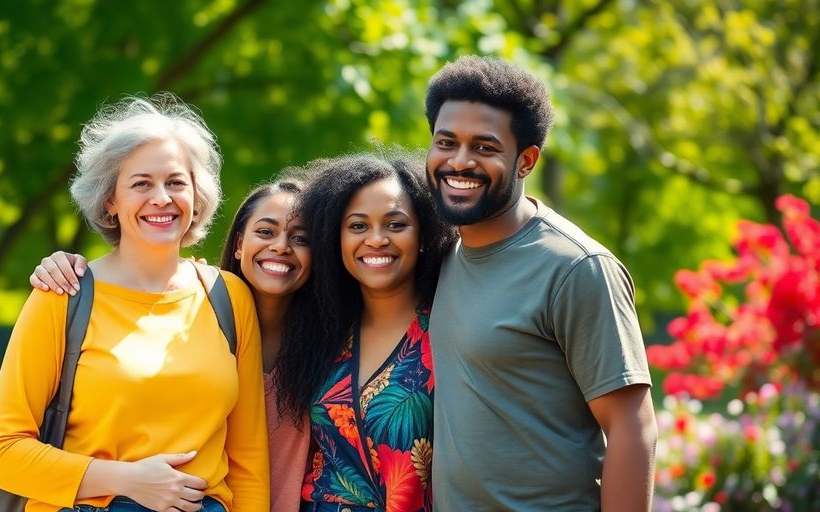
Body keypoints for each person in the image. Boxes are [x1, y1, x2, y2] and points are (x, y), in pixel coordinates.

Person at [0, 94, 269, 512]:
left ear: (196, 194)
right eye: (141, 184)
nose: (162, 197)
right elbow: (2, 452)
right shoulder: (62, 295)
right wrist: (128, 480)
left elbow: (248, 462)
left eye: (176, 182)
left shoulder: (228, 297)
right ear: (110, 201)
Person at [423, 55, 657, 510]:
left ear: (526, 161)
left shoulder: (576, 267)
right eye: (446, 142)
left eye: (485, 147)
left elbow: (632, 426)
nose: (460, 161)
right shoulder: (442, 255)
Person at [31, 178, 316, 512]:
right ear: (239, 244)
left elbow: (248, 461)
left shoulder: (335, 346)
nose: (281, 246)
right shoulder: (208, 306)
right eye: (265, 232)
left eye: (301, 238)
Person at [280, 152, 456, 511]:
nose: (376, 239)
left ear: (423, 234)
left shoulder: (450, 327)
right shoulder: (318, 331)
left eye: (395, 225)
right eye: (358, 226)